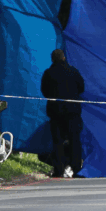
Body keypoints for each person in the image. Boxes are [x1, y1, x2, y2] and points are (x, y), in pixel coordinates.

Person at [41, 49, 86, 178]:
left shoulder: (49, 73)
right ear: (64, 58)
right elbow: (81, 87)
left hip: (55, 112)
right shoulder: (73, 71)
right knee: (74, 141)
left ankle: (59, 169)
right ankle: (76, 168)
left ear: (52, 59)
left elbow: (44, 91)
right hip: (72, 112)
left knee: (58, 142)